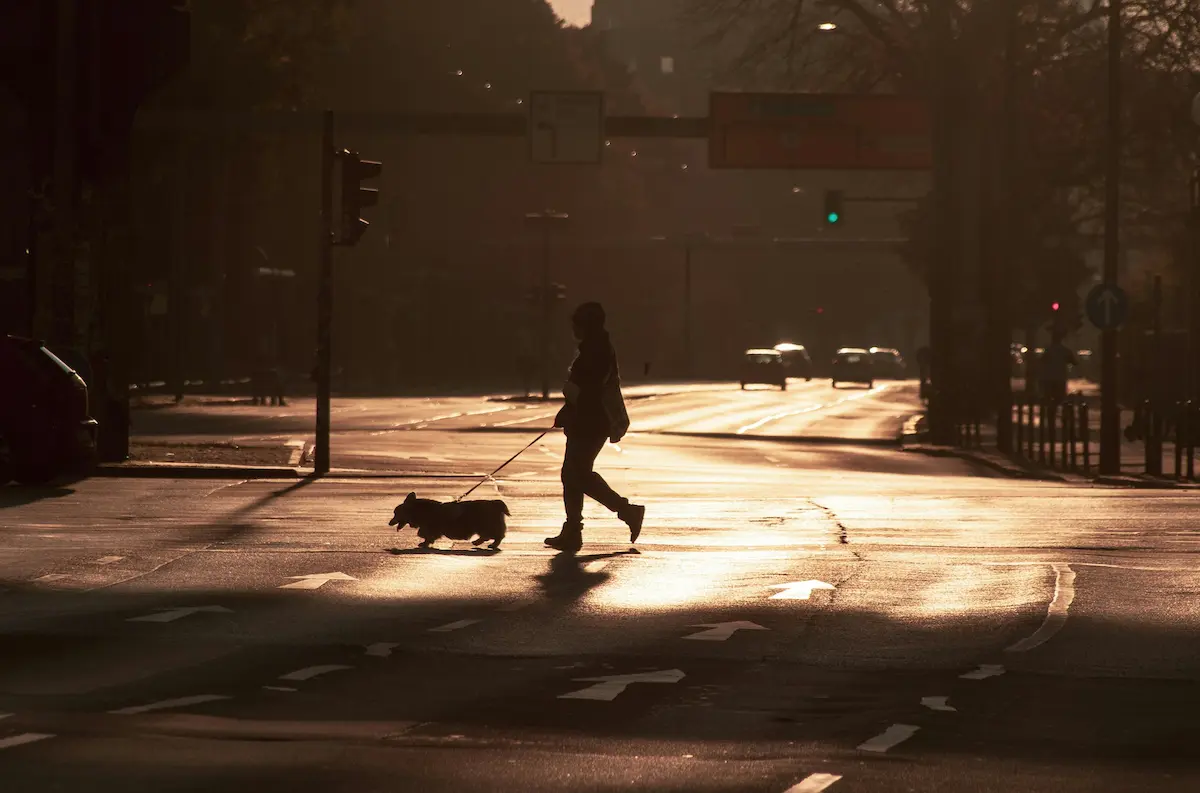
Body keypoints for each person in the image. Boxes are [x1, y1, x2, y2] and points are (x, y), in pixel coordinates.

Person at [544, 302, 645, 554]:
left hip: (590, 421)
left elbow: (590, 390)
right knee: (573, 474)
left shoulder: (595, 350)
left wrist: (571, 408)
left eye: (576, 324)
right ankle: (574, 529)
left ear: (585, 325)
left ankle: (624, 511)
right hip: (587, 420)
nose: (573, 329)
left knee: (577, 474)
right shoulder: (595, 347)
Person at [1039, 332, 1076, 405]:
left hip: (1048, 377)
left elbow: (1042, 361)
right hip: (1060, 377)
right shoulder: (1065, 350)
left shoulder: (1048, 350)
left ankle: (1049, 411)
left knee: (1047, 397)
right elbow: (1074, 362)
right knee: (1059, 398)